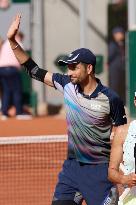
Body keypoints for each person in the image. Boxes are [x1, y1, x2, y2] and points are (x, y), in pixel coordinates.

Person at [7, 14, 127, 205]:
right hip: (71, 170)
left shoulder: (110, 98)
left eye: (73, 67)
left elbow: (123, 133)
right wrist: (12, 41)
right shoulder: (67, 85)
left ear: (89, 69)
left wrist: (121, 170)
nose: (69, 72)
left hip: (99, 171)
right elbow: (33, 70)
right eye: (68, 67)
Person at [0, 31, 28, 120]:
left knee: (6, 91)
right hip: (12, 69)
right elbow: (23, 57)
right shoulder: (17, 43)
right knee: (17, 90)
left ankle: (4, 113)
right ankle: (19, 112)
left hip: (2, 69)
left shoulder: (5, 44)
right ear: (19, 37)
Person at [108, 26, 126, 104]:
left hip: (121, 68)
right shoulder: (112, 45)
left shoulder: (122, 44)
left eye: (122, 33)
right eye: (120, 33)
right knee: (114, 85)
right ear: (115, 35)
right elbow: (110, 56)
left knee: (120, 85)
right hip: (114, 69)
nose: (122, 35)